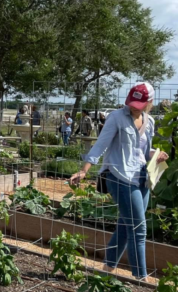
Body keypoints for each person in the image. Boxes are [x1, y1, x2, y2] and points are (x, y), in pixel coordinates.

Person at [70, 82, 169, 279]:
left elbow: (140, 152)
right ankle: (141, 279)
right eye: (132, 102)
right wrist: (84, 170)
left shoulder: (149, 121)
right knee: (138, 229)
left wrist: (156, 154)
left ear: (150, 103)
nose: (134, 107)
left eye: (139, 105)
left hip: (142, 178)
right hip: (120, 177)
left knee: (126, 225)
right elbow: (100, 145)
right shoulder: (116, 117)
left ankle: (107, 269)